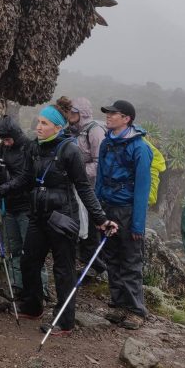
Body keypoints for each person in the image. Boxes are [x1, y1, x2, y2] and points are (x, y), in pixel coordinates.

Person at [0, 103, 116, 336]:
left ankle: (64, 321)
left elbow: (84, 188)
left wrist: (101, 219)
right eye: (38, 122)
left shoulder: (70, 150)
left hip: (63, 217)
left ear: (57, 127)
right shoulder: (34, 148)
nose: (39, 127)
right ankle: (33, 306)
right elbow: (25, 179)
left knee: (63, 269)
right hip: (38, 214)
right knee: (28, 261)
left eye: (44, 123)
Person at [96, 100, 153, 330]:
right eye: (108, 113)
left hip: (127, 211)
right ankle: (119, 304)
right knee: (111, 256)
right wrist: (97, 211)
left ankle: (136, 310)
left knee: (130, 259)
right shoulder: (106, 143)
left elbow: (142, 188)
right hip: (107, 207)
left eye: (113, 113)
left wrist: (138, 225)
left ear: (126, 118)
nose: (108, 116)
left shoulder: (140, 147)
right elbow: (100, 177)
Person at [0, 115, 47, 295]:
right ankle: (19, 286)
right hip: (8, 206)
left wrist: (3, 185)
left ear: (16, 133)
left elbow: (26, 179)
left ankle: (40, 289)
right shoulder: (2, 148)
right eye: (3, 139)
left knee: (32, 251)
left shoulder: (29, 148)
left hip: (27, 207)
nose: (6, 143)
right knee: (13, 249)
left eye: (8, 139)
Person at [59, 97, 107, 277]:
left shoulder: (94, 132)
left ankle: (98, 267)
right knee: (79, 223)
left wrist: (77, 171)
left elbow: (99, 163)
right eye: (70, 111)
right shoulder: (72, 131)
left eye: (74, 111)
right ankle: (88, 263)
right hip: (75, 185)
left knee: (92, 227)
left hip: (90, 186)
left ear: (82, 113)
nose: (70, 114)